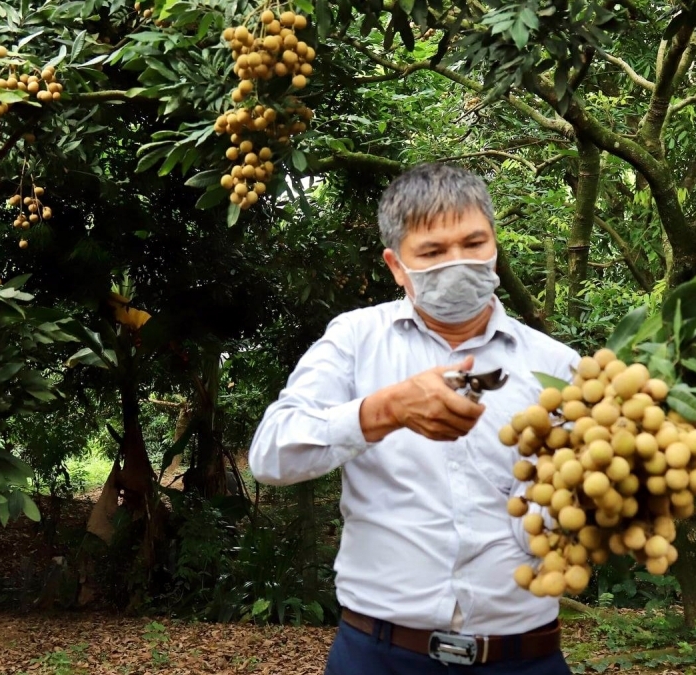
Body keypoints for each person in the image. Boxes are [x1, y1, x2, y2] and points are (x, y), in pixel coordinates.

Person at [248, 163, 579, 674]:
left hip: (524, 656)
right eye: (432, 252)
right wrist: (385, 410)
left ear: (495, 244)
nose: (460, 262)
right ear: (397, 265)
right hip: (379, 655)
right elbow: (272, 453)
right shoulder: (355, 340)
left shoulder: (556, 366)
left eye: (474, 243)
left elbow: (592, 498)